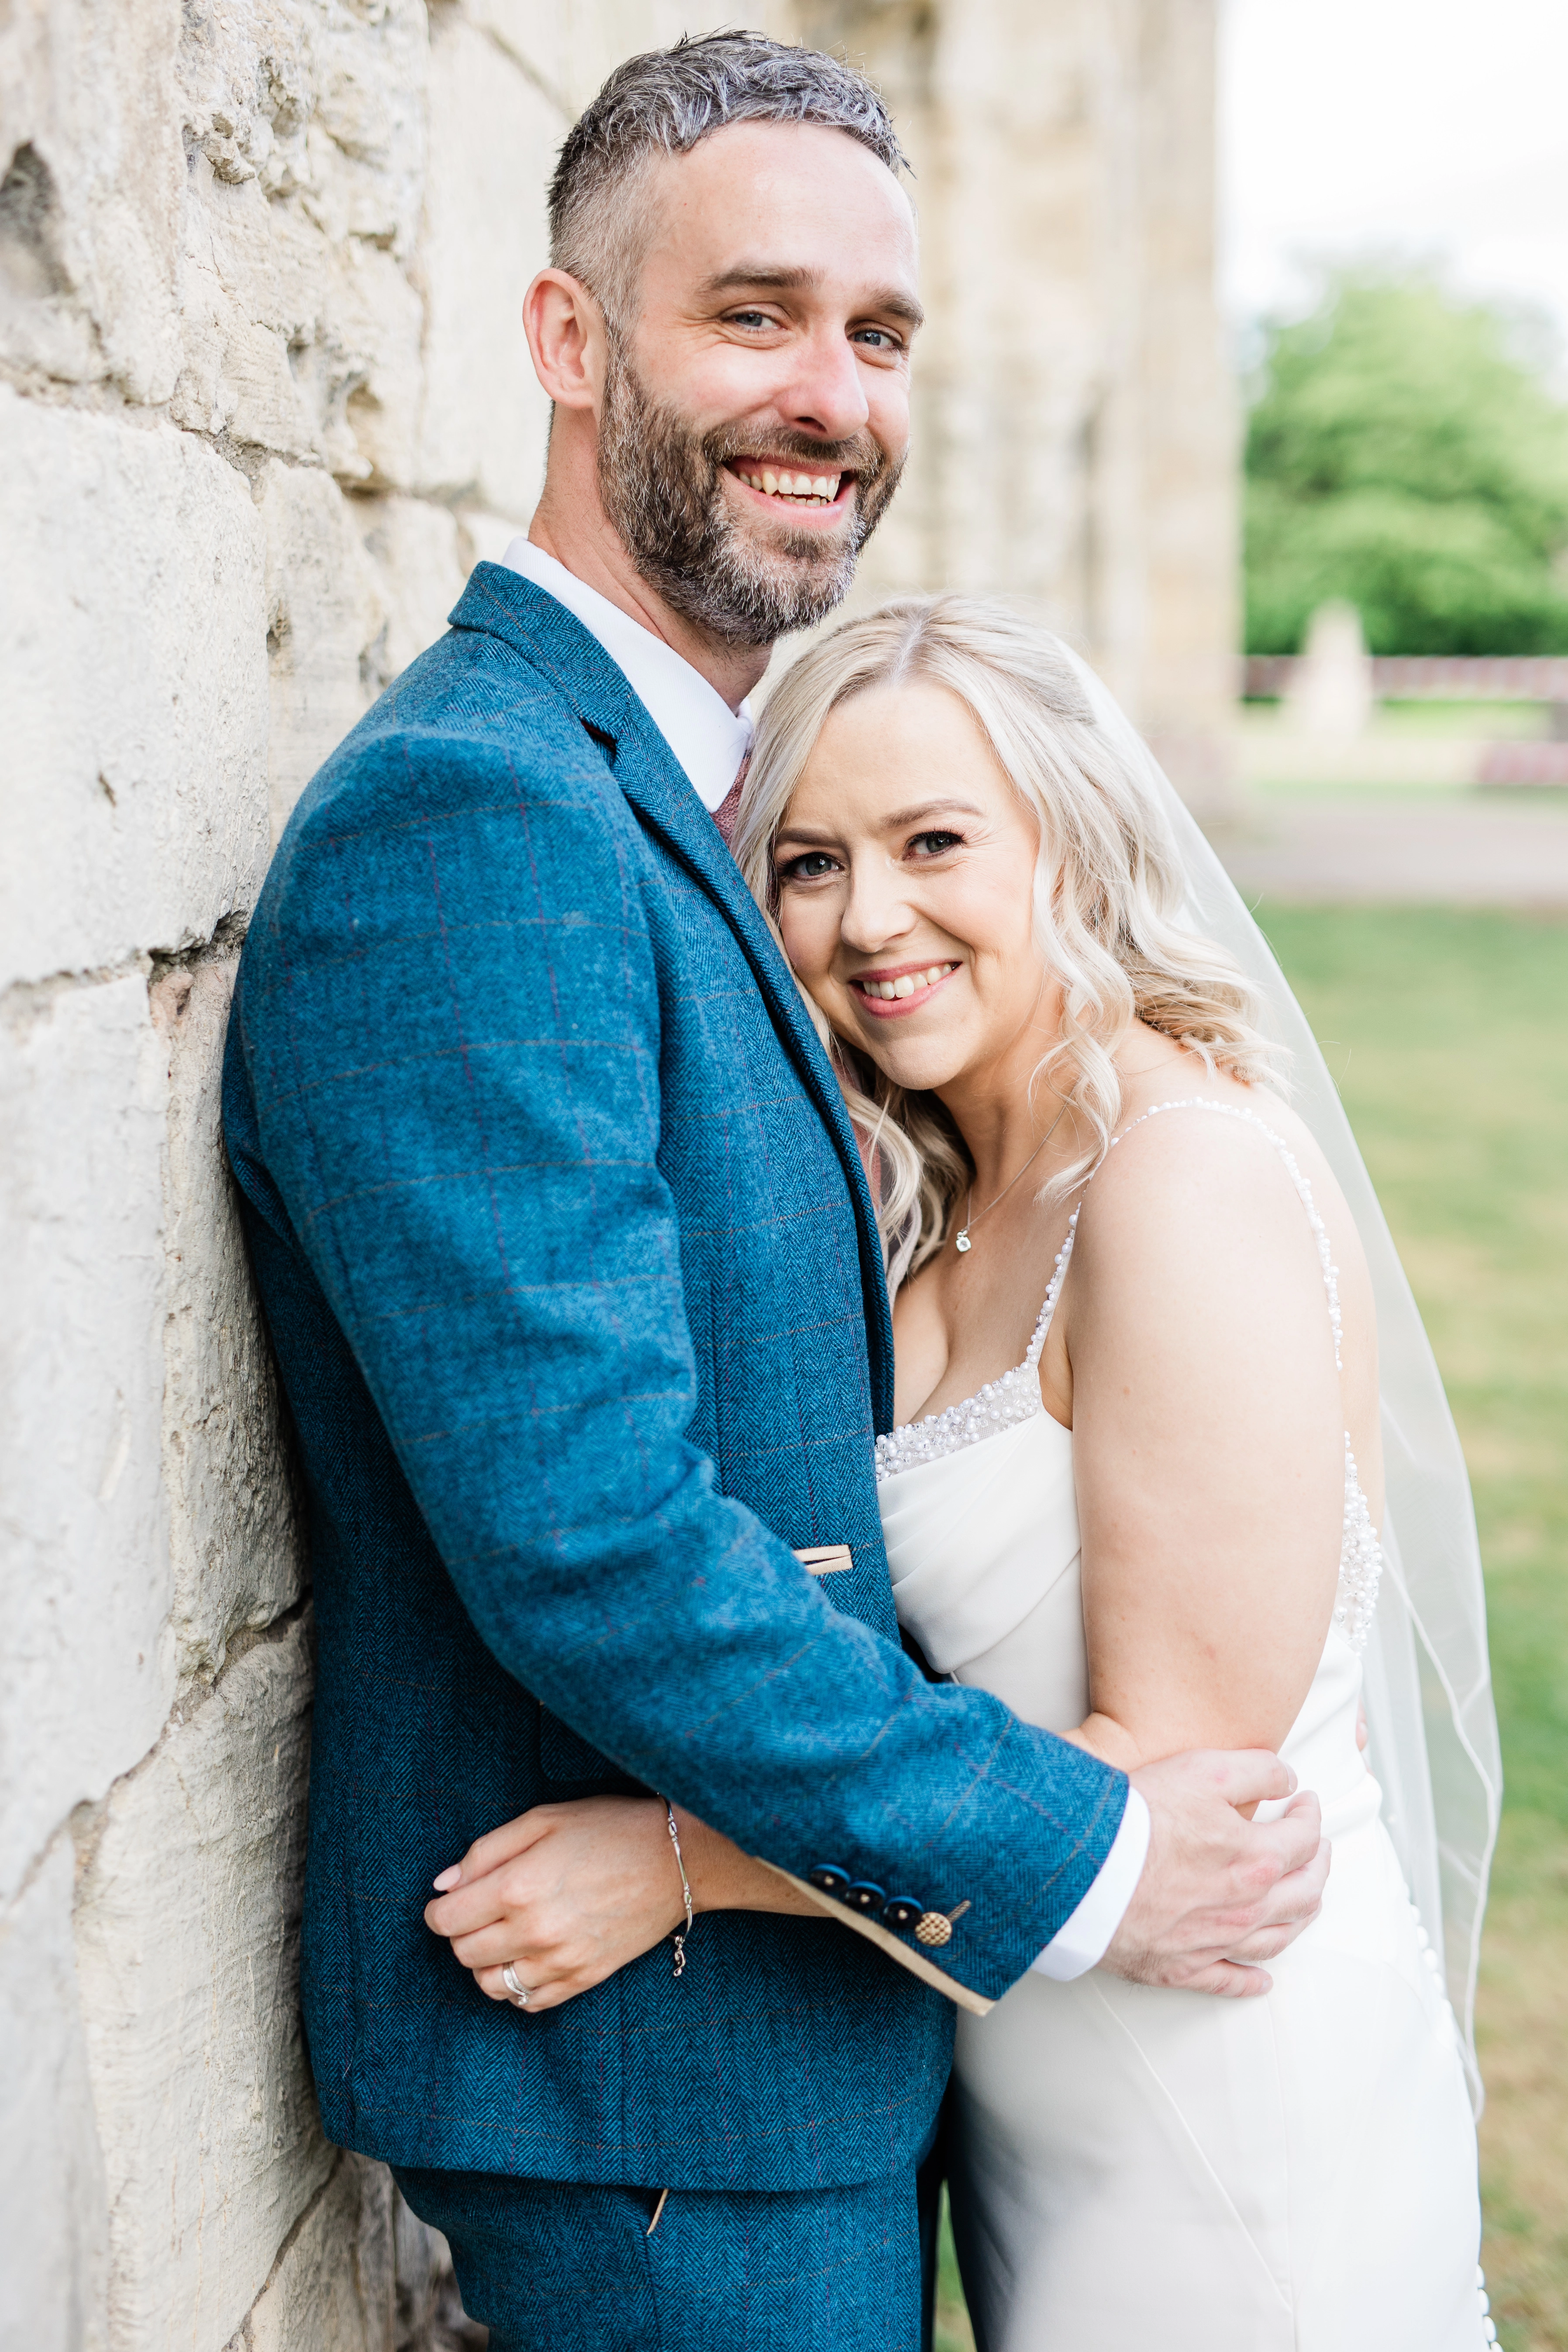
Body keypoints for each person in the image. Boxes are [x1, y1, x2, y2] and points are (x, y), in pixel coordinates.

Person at [224, 35, 1330, 2352]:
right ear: (566, 341)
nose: (829, 393)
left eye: (879, 332)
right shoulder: (483, 818)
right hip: (654, 2111)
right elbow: (596, 1535)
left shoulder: (686, 797)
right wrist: (1094, 1852)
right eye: (752, 314)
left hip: (799, 2055)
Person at [451, 596, 1498, 2348]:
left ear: (1070, 841)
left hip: (1226, 2102)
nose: (872, 918)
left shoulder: (1181, 1177)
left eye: (935, 841)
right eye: (807, 861)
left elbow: (1177, 1782)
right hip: (1035, 2075)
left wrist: (683, 1861)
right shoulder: (936, 1209)